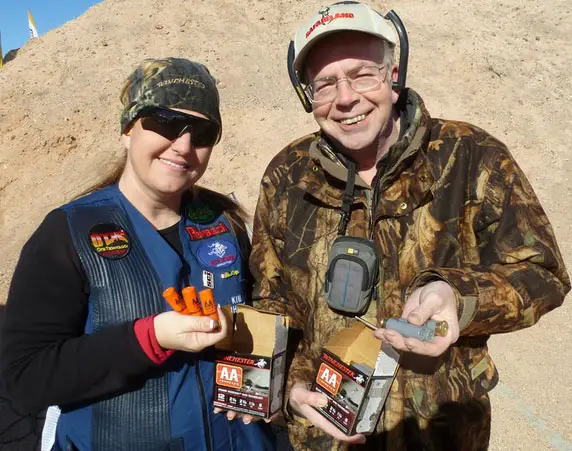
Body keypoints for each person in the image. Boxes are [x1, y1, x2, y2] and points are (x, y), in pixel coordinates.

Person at [249, 2, 570, 450]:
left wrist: (458, 298)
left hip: (442, 433)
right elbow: (271, 297)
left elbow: (543, 273)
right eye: (325, 84)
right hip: (328, 434)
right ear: (307, 96)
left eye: (363, 74)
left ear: (393, 75)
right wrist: (287, 390)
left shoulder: (470, 155)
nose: (345, 98)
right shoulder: (287, 175)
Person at [0, 57, 276, 451]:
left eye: (202, 132)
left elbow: (258, 324)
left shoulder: (226, 223)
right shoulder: (67, 233)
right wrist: (151, 337)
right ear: (128, 130)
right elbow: (26, 378)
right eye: (164, 123)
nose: (182, 145)